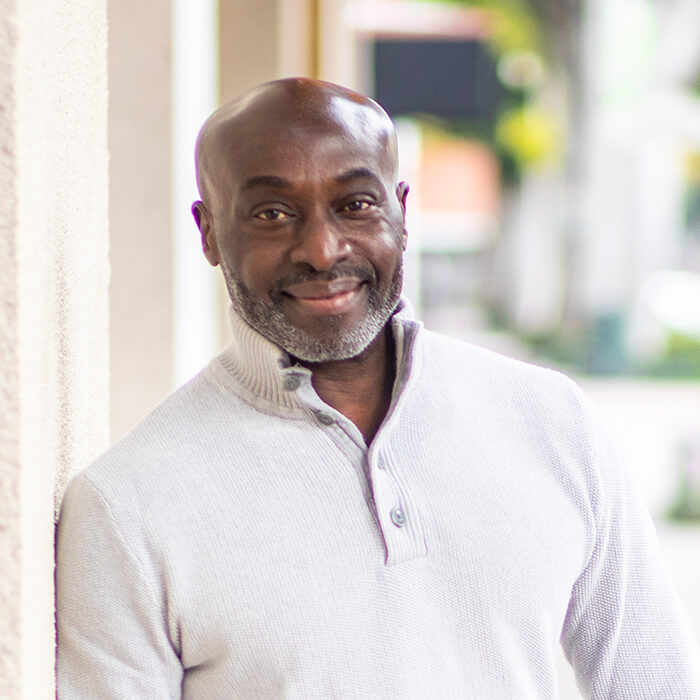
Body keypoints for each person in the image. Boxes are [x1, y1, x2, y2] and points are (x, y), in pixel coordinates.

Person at [56, 77, 700, 699]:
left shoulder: (552, 422)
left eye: (355, 204)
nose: (322, 247)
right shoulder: (126, 506)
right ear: (210, 234)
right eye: (273, 213)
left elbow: (654, 685)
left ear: (401, 212)